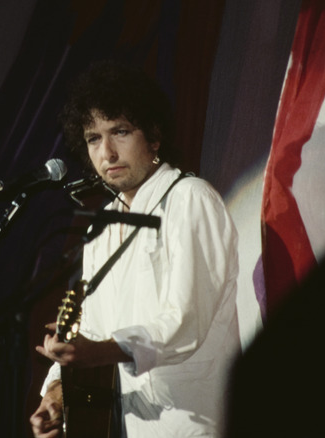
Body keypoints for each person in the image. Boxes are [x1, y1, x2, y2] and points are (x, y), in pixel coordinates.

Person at [30, 60, 241, 437]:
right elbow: (92, 328)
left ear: (154, 136)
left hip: (194, 424)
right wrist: (57, 393)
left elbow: (185, 320)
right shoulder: (103, 222)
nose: (107, 152)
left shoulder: (189, 199)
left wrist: (98, 351)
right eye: (93, 138)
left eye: (120, 132)